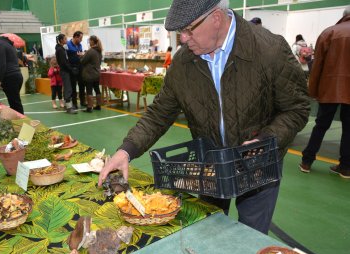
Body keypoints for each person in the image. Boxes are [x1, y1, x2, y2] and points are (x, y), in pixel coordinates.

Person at [98, 0, 310, 234]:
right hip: (210, 167)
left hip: (259, 167)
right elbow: (159, 113)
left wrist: (266, 140)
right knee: (210, 231)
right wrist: (126, 150)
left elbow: (297, 108)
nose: (183, 39)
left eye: (189, 30)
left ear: (216, 18)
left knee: (250, 239)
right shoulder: (183, 62)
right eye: (180, 32)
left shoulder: (269, 50)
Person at [300, 6, 350, 179]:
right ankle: (345, 167)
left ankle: (307, 161)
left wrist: (313, 90)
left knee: (321, 126)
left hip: (330, 88)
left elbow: (317, 65)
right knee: (349, 129)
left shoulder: (329, 32)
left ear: (343, 16)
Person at [55, 33, 78, 114]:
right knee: (68, 89)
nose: (67, 40)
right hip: (65, 71)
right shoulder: (60, 50)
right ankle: (69, 108)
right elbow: (64, 62)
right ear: (61, 40)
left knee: (67, 89)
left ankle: (66, 105)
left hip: (65, 71)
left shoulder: (61, 48)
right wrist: (71, 69)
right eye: (65, 39)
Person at [81, 35, 103, 113]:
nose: (89, 42)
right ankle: (98, 105)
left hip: (89, 73)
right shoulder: (99, 51)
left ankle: (89, 107)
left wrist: (81, 56)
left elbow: (83, 61)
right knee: (97, 89)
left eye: (89, 40)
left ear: (92, 41)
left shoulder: (90, 51)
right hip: (97, 73)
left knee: (89, 90)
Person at [67, 31, 86, 107]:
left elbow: (80, 55)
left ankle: (82, 101)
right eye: (80, 38)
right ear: (75, 37)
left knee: (82, 85)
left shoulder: (80, 45)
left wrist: (81, 55)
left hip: (80, 67)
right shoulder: (67, 44)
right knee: (73, 86)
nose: (81, 40)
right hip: (72, 68)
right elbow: (66, 56)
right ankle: (74, 103)